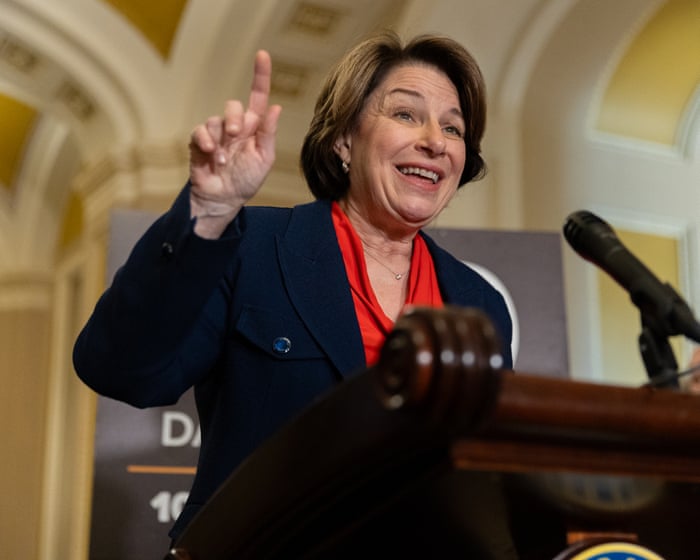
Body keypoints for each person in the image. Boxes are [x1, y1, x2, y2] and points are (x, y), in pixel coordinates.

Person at [73, 30, 514, 552]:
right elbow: (123, 370)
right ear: (343, 139)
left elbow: (488, 477)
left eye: (453, 127)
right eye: (405, 114)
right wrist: (208, 213)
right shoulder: (252, 248)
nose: (435, 141)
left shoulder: (478, 302)